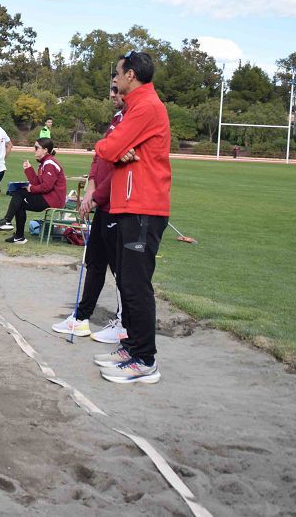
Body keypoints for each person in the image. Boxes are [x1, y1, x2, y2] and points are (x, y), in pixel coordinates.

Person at [92, 50, 171, 385]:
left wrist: (112, 147)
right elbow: (113, 150)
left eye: (118, 73)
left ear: (131, 75)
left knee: (137, 285)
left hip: (144, 207)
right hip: (129, 205)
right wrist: (115, 148)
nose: (115, 78)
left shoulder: (147, 106)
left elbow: (107, 150)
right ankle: (133, 346)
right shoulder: (135, 107)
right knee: (126, 281)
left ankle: (145, 359)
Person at [53, 82, 126, 342]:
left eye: (116, 89)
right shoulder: (116, 119)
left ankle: (123, 323)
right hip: (103, 203)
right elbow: (99, 157)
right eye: (111, 89)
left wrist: (96, 196)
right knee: (95, 263)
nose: (111, 95)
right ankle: (81, 318)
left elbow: (120, 169)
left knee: (120, 270)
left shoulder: (132, 119)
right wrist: (89, 190)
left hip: (118, 206)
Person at [0, 138, 66, 244]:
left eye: (36, 148)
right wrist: (29, 170)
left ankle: (7, 221)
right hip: (48, 197)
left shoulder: (49, 163)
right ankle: (19, 236)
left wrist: (31, 189)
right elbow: (37, 183)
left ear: (45, 150)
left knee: (20, 194)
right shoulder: (44, 163)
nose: (34, 150)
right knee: (19, 202)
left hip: (53, 199)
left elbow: (46, 187)